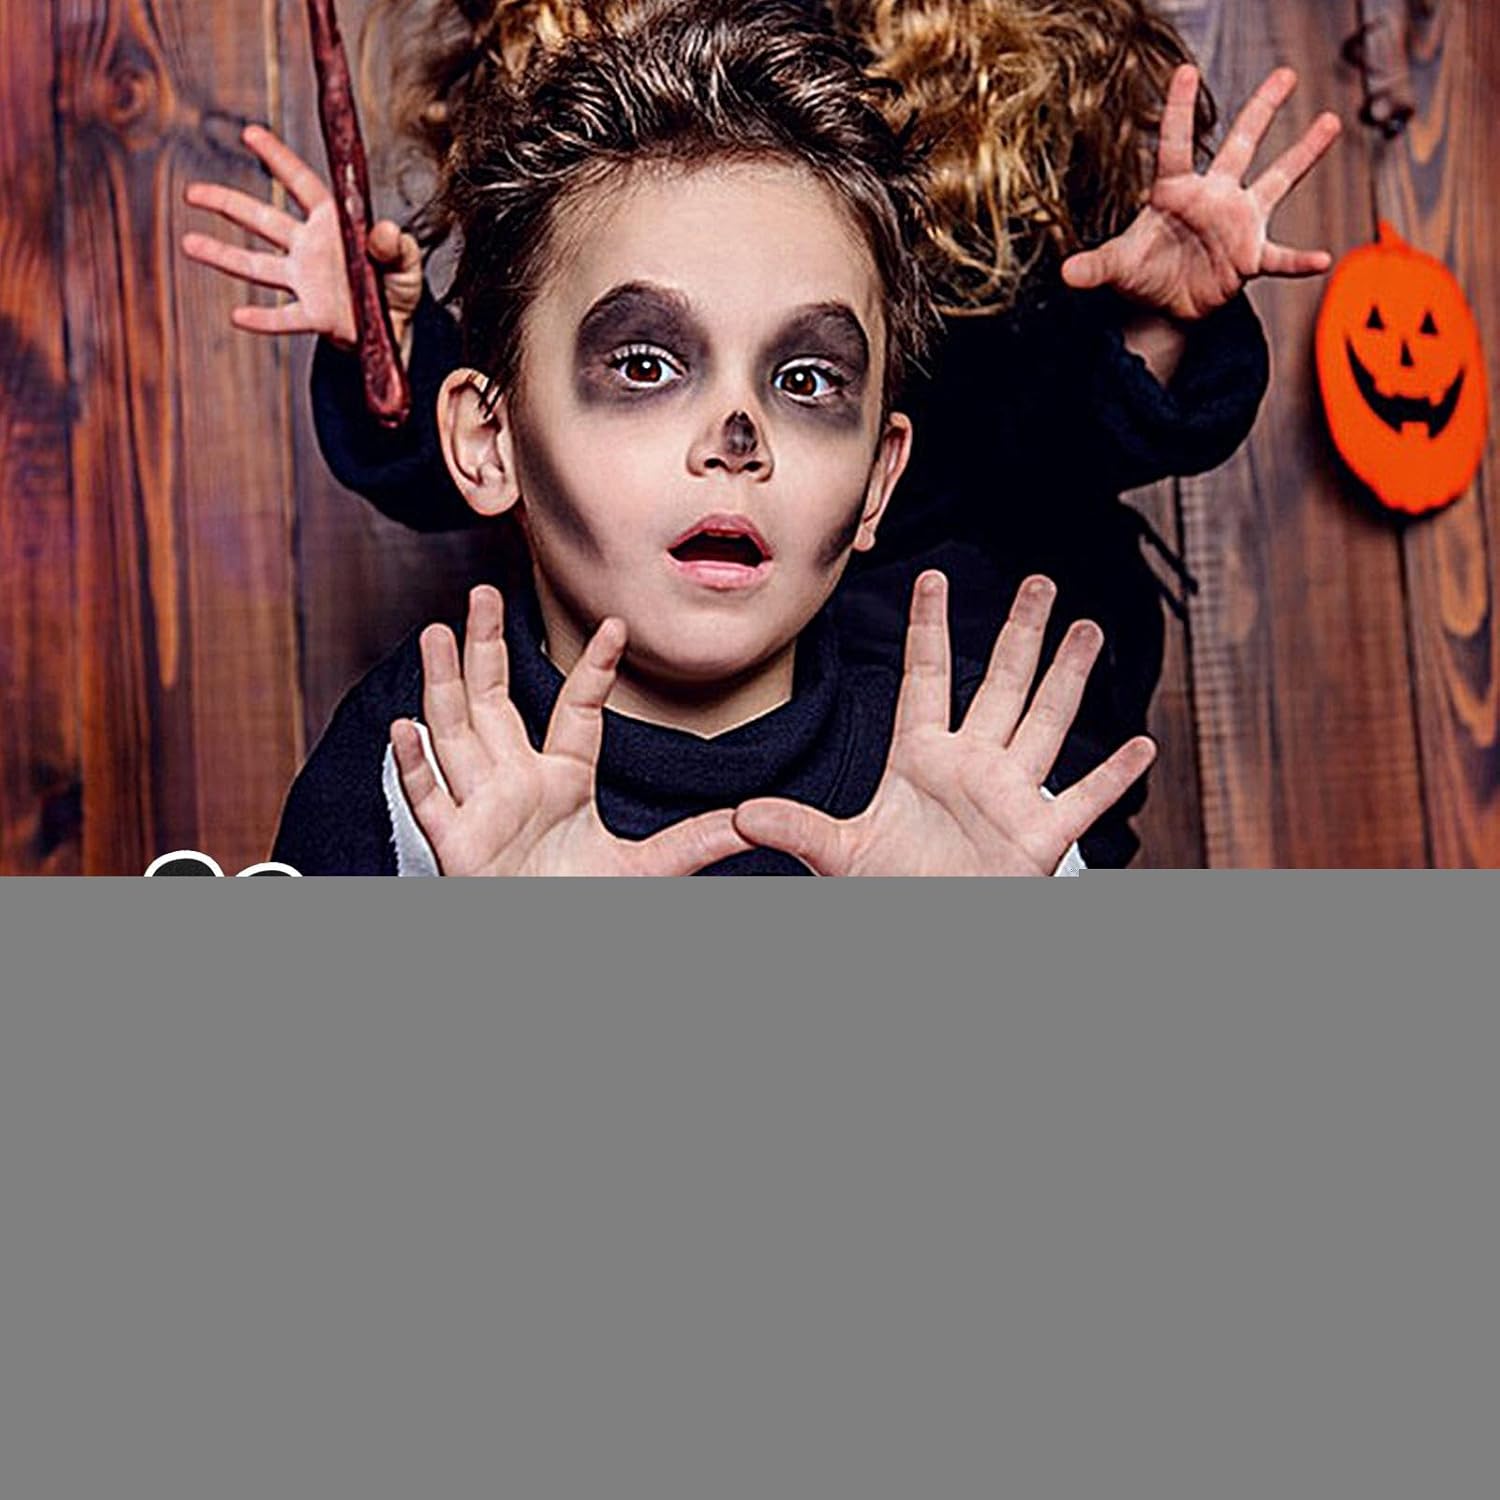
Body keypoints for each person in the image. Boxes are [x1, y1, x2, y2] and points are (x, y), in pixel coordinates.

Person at [183, 0, 1341, 866]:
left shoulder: (970, 817)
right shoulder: (413, 780)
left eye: (804, 377)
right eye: (648, 365)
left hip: (955, 699)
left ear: (882, 466)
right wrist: (390, 359)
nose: (736, 429)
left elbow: (1041, 426)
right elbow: (537, 399)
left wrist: (1155, 335)